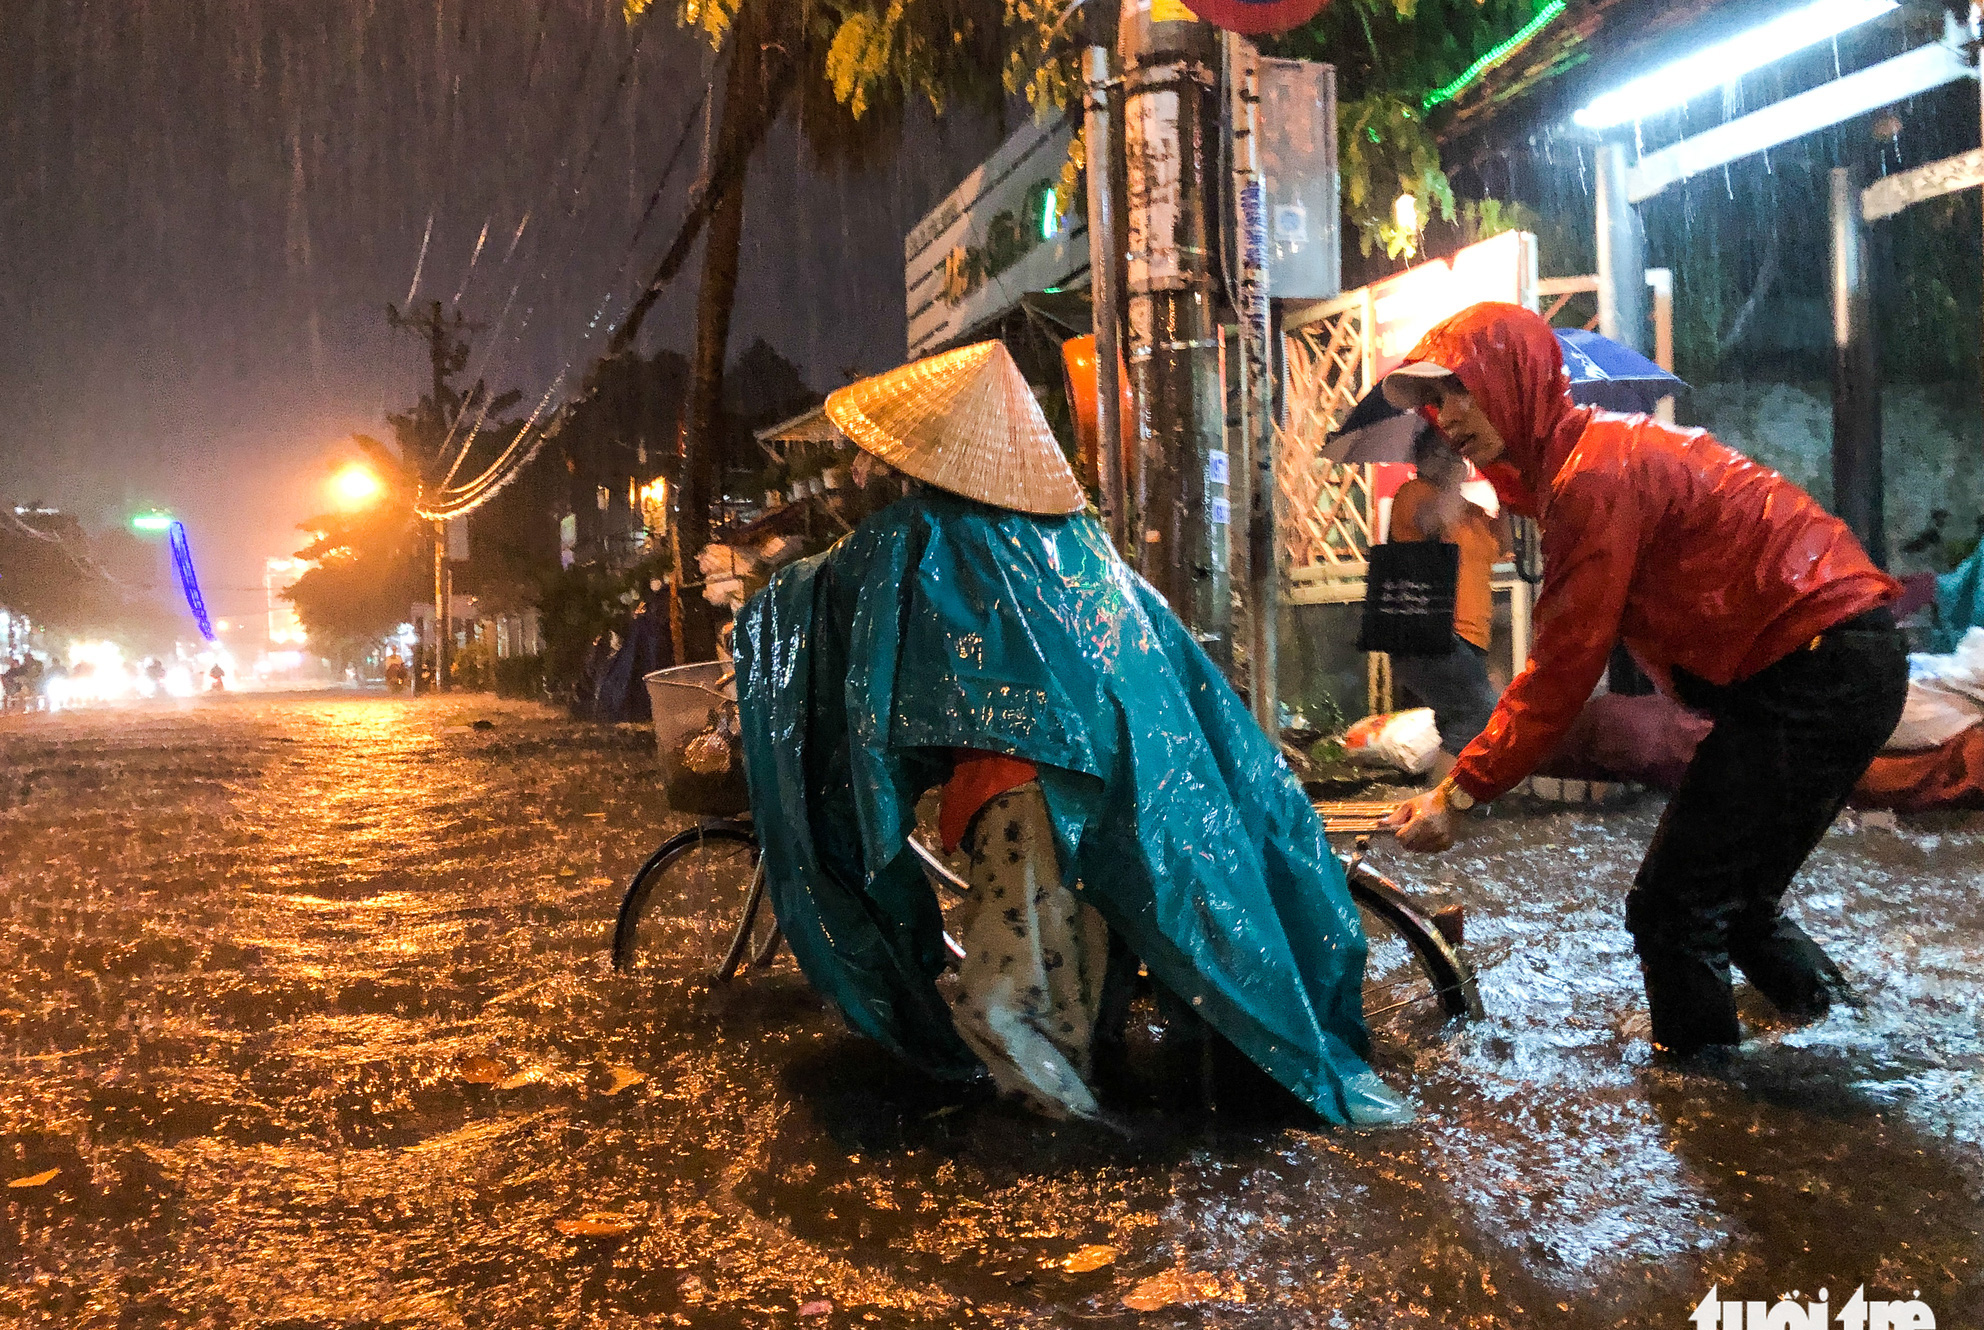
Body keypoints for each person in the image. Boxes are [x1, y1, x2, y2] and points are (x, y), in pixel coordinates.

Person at [735, 340, 1408, 1126]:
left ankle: (1072, 1143)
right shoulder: (1073, 543)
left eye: (870, 460)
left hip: (1028, 794)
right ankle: (1110, 1112)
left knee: (1010, 999)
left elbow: (810, 612)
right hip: (1122, 789)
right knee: (1078, 983)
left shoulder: (922, 534)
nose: (862, 474)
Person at [1380, 303, 1905, 1059]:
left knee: (1672, 908)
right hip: (1835, 660)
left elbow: (1564, 663)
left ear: (1516, 379)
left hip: (1819, 663)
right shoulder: (1582, 468)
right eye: (1436, 399)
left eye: (1462, 388)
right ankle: (1847, 1043)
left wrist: (1462, 790)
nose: (1446, 414)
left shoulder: (1595, 476)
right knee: (1735, 904)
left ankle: (1710, 1113)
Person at [1386, 420, 1512, 780]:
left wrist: (1504, 489)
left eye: (1454, 452)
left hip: (1470, 638)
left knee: (1461, 722)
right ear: (1421, 458)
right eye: (1439, 452)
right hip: (1433, 633)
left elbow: (1504, 545)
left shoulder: (1472, 511)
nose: (1450, 461)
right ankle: (1440, 811)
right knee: (1478, 717)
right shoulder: (1413, 495)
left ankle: (1439, 809)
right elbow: (1433, 523)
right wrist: (1454, 483)